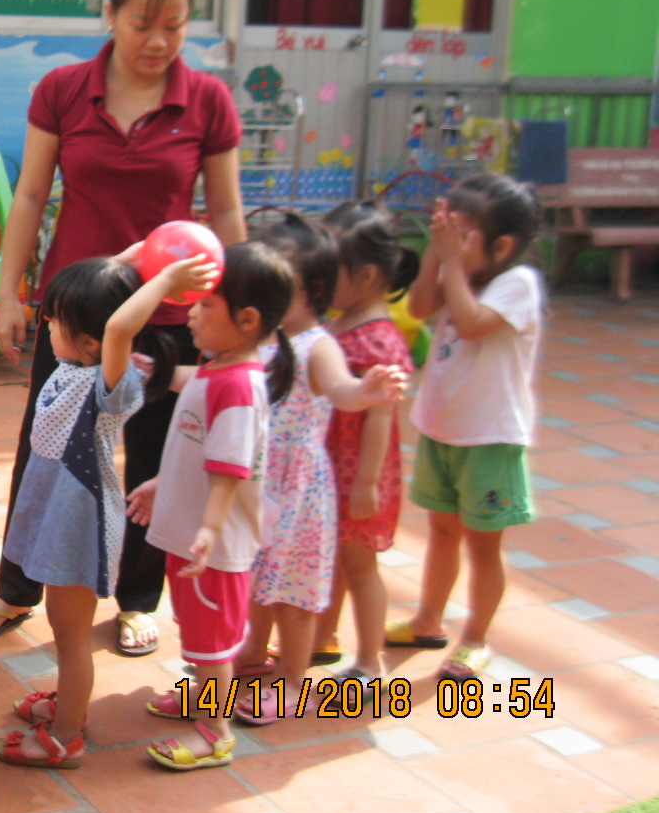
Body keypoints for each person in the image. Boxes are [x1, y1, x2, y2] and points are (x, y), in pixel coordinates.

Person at [0, 0, 244, 655]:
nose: (158, 41)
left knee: (155, 459)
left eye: (174, 27)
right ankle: (16, 588)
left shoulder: (207, 100)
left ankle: (138, 600)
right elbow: (31, 194)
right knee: (45, 449)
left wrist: (235, 316)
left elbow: (227, 214)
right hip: (77, 314)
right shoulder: (64, 90)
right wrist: (10, 293)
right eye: (143, 23)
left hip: (170, 314)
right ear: (110, 13)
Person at [0, 251, 215, 769]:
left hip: (78, 528)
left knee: (71, 637)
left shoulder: (111, 382)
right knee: (62, 629)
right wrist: (138, 257)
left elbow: (118, 327)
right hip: (56, 520)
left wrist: (165, 277)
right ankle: (67, 703)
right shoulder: (75, 366)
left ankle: (66, 735)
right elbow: (111, 315)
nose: (47, 326)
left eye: (55, 320)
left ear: (91, 341)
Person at [232, 215, 407, 722]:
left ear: (311, 290)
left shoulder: (321, 344)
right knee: (260, 576)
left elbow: (345, 393)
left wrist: (367, 392)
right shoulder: (270, 338)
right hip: (267, 482)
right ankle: (252, 652)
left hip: (308, 485)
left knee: (297, 589)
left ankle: (299, 680)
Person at [129, 242, 291, 771]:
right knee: (198, 629)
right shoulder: (217, 368)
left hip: (214, 548)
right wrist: (162, 483)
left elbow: (230, 468)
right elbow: (195, 441)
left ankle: (215, 733)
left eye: (204, 305)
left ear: (247, 319)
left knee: (214, 644)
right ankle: (202, 696)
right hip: (196, 534)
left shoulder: (240, 386)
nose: (191, 314)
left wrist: (209, 530)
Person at [390, 174, 543, 682]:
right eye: (447, 231)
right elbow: (419, 309)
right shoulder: (462, 272)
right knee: (440, 532)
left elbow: (473, 324)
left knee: (482, 545)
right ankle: (427, 620)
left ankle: (475, 638)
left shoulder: (517, 284)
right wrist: (437, 256)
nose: (452, 243)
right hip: (443, 430)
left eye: (463, 235)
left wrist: (451, 262)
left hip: (490, 440)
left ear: (502, 246)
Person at [315, 202, 420, 682]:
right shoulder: (341, 321)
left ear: (366, 276)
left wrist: (367, 482)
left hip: (356, 470)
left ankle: (369, 663)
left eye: (329, 269)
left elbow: (381, 415)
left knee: (359, 567)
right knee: (335, 557)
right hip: (333, 463)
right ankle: (322, 637)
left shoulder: (378, 339)